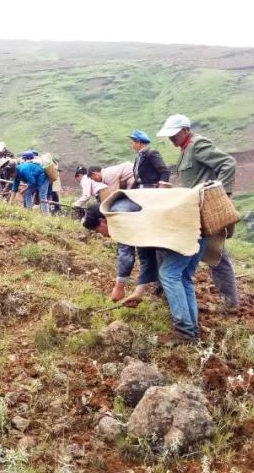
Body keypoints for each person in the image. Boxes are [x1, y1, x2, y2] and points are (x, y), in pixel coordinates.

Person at [82, 201, 206, 343]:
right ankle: (192, 332)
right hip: (198, 230)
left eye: (98, 231)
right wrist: (138, 293)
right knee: (183, 277)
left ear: (102, 221)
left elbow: (126, 254)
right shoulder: (132, 214)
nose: (102, 236)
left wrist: (119, 287)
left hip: (187, 230)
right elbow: (147, 258)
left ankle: (185, 332)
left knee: (169, 274)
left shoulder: (121, 216)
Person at [156, 114, 240, 310]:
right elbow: (194, 181)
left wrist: (223, 194)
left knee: (216, 253)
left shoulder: (197, 145)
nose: (171, 139)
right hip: (194, 209)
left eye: (174, 134)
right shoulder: (184, 150)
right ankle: (165, 288)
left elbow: (228, 163)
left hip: (206, 209)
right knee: (207, 252)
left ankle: (231, 303)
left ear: (185, 130)